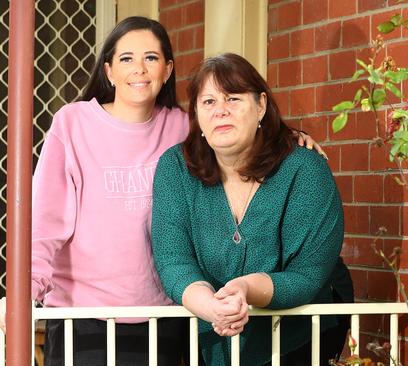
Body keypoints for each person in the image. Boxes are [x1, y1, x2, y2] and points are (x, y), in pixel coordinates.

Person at [0, 16, 322, 365]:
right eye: (126, 59)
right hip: (85, 318)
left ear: (167, 69)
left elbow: (234, 130)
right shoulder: (73, 123)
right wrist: (24, 292)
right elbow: (46, 222)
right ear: (108, 71)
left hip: (164, 317)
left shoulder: (182, 127)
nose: (139, 69)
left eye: (151, 58)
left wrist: (288, 137)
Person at [151, 53, 353, 366]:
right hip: (214, 328)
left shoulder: (303, 169)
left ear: (260, 106)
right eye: (208, 102)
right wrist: (212, 307)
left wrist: (244, 288)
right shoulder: (175, 168)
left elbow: (308, 273)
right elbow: (173, 260)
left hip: (300, 332)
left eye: (233, 98)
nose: (221, 111)